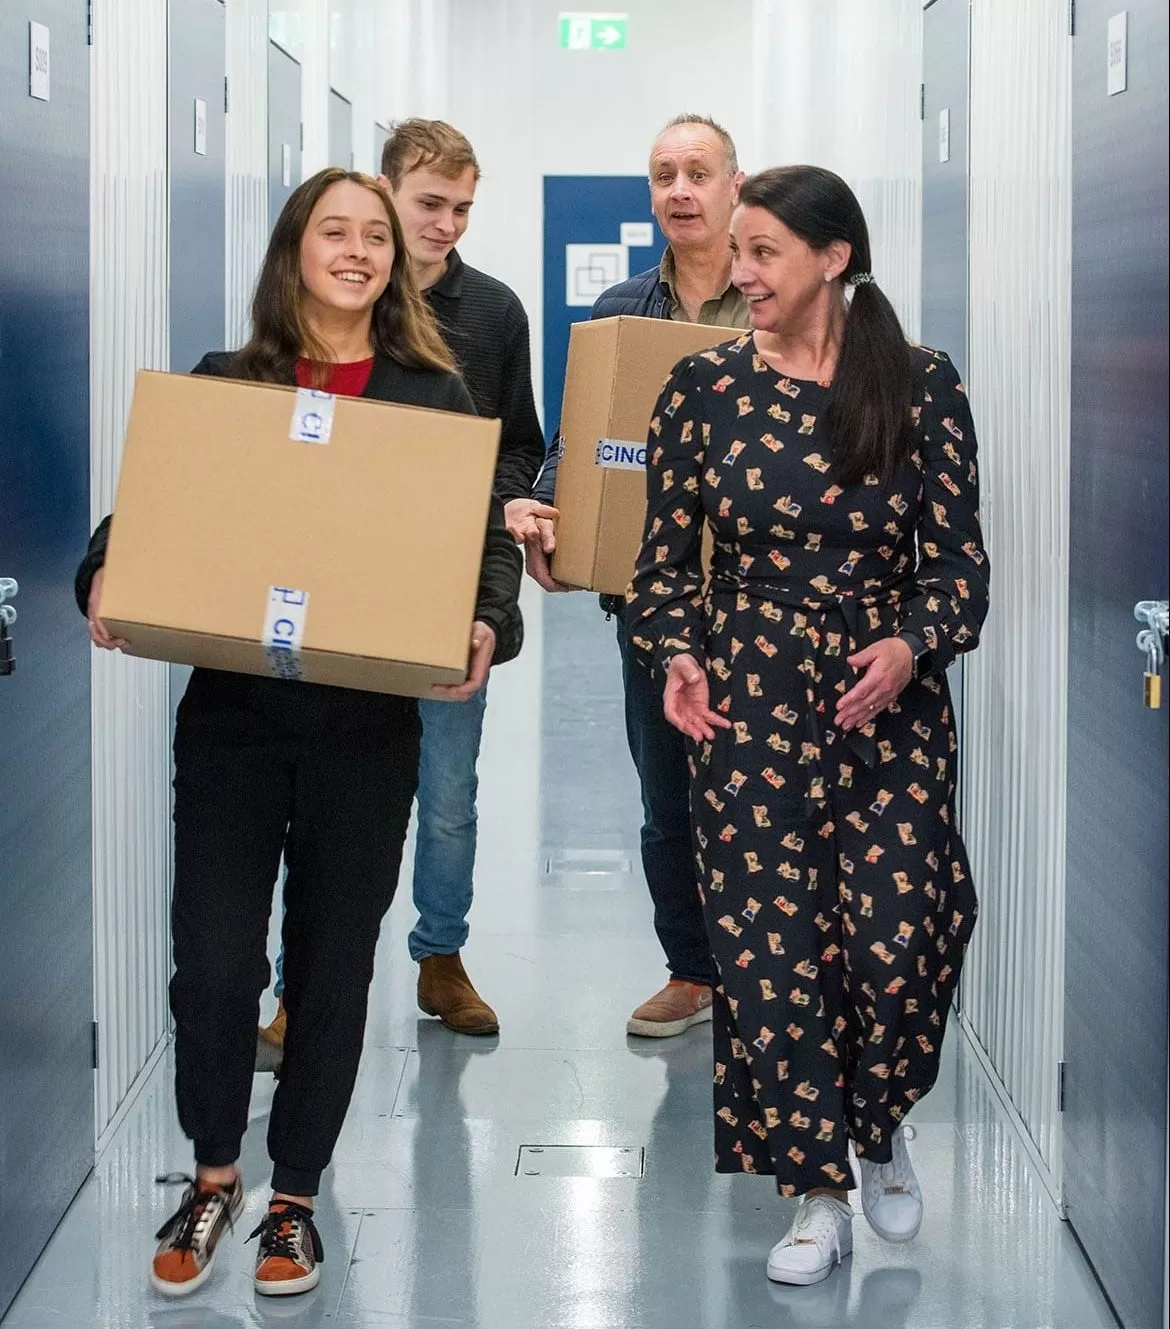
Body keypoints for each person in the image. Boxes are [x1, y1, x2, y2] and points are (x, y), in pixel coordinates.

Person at [76, 168, 523, 1299]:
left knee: (331, 967)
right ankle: (213, 1175)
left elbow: (485, 543)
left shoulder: (434, 396)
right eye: (337, 231)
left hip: (366, 728)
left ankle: (294, 1201)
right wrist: (102, 575)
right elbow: (144, 512)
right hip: (234, 719)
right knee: (217, 967)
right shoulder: (231, 385)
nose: (361, 250)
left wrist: (488, 618)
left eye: (377, 236)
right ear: (294, 251)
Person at [625, 164, 988, 1286]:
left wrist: (911, 646)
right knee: (771, 957)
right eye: (739, 251)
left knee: (899, 933)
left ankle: (877, 1123)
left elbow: (959, 567)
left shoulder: (921, 386)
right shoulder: (701, 392)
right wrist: (678, 652)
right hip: (751, 702)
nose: (742, 273)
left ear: (833, 257)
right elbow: (661, 566)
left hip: (887, 707)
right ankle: (814, 1188)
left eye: (765, 251)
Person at [256, 121, 548, 1053]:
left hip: (449, 582)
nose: (447, 225)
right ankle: (304, 985)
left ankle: (440, 955)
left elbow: (520, 447)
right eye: (429, 205)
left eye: (464, 209)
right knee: (318, 790)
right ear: (382, 195)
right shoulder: (312, 308)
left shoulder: (495, 314)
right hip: (332, 582)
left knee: (448, 787)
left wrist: (490, 513)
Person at [529, 114, 751, 1039]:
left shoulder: (777, 294)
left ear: (737, 184)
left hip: (768, 598)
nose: (680, 191)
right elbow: (580, 438)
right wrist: (549, 511)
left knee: (768, 792)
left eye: (698, 172)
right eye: (663, 175)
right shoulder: (624, 307)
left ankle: (769, 970)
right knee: (669, 795)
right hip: (656, 599)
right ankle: (692, 971)